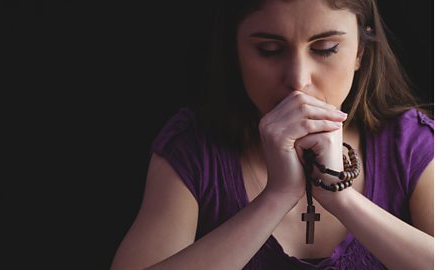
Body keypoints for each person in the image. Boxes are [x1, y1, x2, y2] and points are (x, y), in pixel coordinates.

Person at [111, 0, 434, 269]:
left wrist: (340, 196)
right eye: (268, 50)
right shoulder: (192, 148)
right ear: (236, 52)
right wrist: (276, 196)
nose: (298, 80)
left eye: (325, 49)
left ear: (360, 53)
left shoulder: (409, 143)